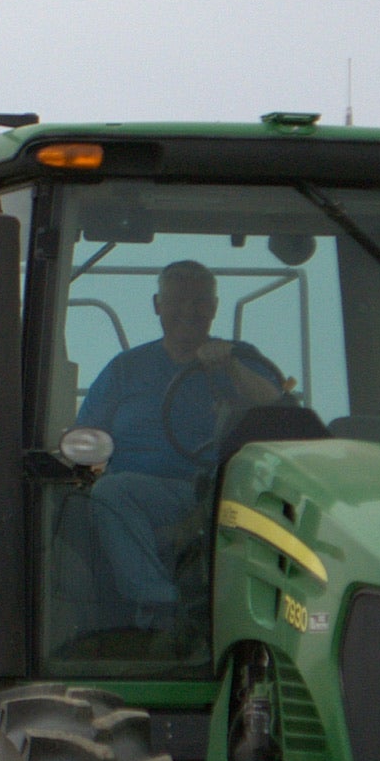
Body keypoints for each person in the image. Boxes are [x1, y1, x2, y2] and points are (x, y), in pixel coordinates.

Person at [73, 261, 288, 628]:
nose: (188, 311)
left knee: (115, 491)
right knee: (102, 495)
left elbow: (275, 404)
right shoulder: (125, 368)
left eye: (200, 302)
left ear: (215, 308)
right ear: (158, 304)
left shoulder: (241, 358)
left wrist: (230, 365)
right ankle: (160, 606)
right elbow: (83, 439)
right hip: (139, 495)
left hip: (220, 493)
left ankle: (159, 608)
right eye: (177, 301)